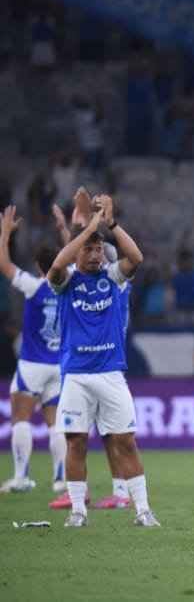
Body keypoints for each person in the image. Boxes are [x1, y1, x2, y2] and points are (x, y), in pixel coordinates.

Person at [47, 194, 159, 527]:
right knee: (76, 443)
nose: (96, 254)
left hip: (111, 375)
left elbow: (136, 257)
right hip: (76, 376)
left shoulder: (113, 279)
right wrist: (83, 231)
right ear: (78, 252)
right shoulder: (66, 283)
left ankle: (142, 510)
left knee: (126, 442)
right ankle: (78, 512)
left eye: (99, 249)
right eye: (89, 249)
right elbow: (55, 266)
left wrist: (110, 224)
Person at [0, 206, 66, 494]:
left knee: (21, 419)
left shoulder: (34, 285)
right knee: (55, 424)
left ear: (39, 267)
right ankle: (61, 478)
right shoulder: (69, 286)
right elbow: (72, 258)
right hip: (58, 365)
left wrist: (5, 233)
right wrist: (65, 228)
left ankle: (21, 478)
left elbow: (4, 265)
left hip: (32, 364)